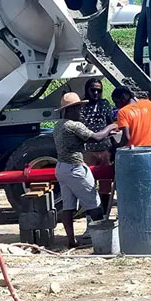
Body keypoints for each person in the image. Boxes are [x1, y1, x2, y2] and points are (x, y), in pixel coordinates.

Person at [53, 92, 118, 247]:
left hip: (61, 167)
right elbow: (95, 137)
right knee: (94, 203)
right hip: (75, 169)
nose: (81, 111)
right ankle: (101, 240)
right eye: (78, 108)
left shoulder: (59, 125)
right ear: (71, 110)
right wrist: (110, 126)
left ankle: (71, 240)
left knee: (68, 206)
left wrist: (107, 134)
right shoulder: (74, 125)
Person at [80, 78, 114, 209]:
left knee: (105, 184)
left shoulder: (104, 104)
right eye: (92, 90)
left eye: (98, 90)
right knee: (88, 183)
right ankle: (91, 212)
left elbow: (110, 121)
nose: (95, 93)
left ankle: (104, 211)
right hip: (88, 150)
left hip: (104, 149)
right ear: (87, 90)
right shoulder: (82, 106)